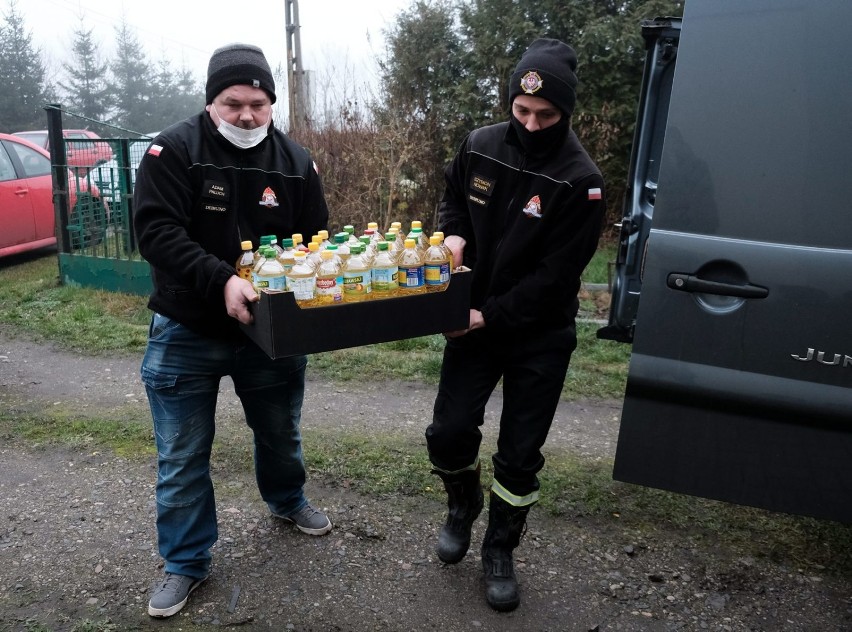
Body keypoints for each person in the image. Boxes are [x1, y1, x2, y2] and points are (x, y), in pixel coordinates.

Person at [133, 43, 333, 619]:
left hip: (269, 333)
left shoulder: (296, 161)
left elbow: (312, 241)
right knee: (182, 453)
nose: (246, 116)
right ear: (211, 102)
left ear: (271, 103)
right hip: (185, 327)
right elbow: (157, 232)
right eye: (233, 103)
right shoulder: (171, 151)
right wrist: (220, 279)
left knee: (279, 430)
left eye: (258, 104)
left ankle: (287, 500)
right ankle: (186, 562)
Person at [425, 38, 605, 612]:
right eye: (521, 111)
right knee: (448, 433)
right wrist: (453, 233)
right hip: (473, 325)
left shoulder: (582, 180)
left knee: (520, 454)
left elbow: (555, 278)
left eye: (545, 115)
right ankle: (462, 504)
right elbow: (452, 199)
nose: (530, 123)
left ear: (565, 111)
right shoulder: (479, 145)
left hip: (538, 335)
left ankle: (500, 549)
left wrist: (487, 313)